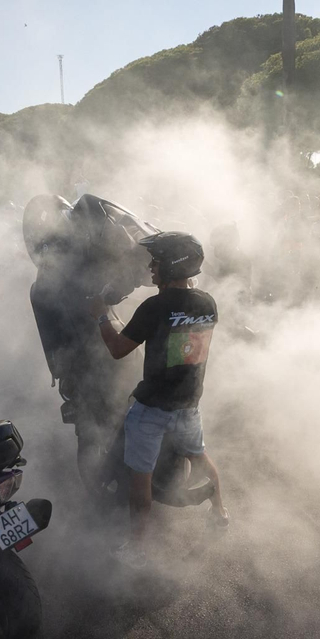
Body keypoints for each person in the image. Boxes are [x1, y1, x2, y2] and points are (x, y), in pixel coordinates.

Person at [88, 231, 229, 564]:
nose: (150, 268)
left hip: (152, 408)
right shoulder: (208, 303)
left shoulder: (155, 306)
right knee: (200, 456)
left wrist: (99, 315)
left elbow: (118, 349)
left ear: (171, 264)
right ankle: (221, 511)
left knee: (141, 480)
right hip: (189, 404)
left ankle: (137, 547)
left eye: (156, 261)